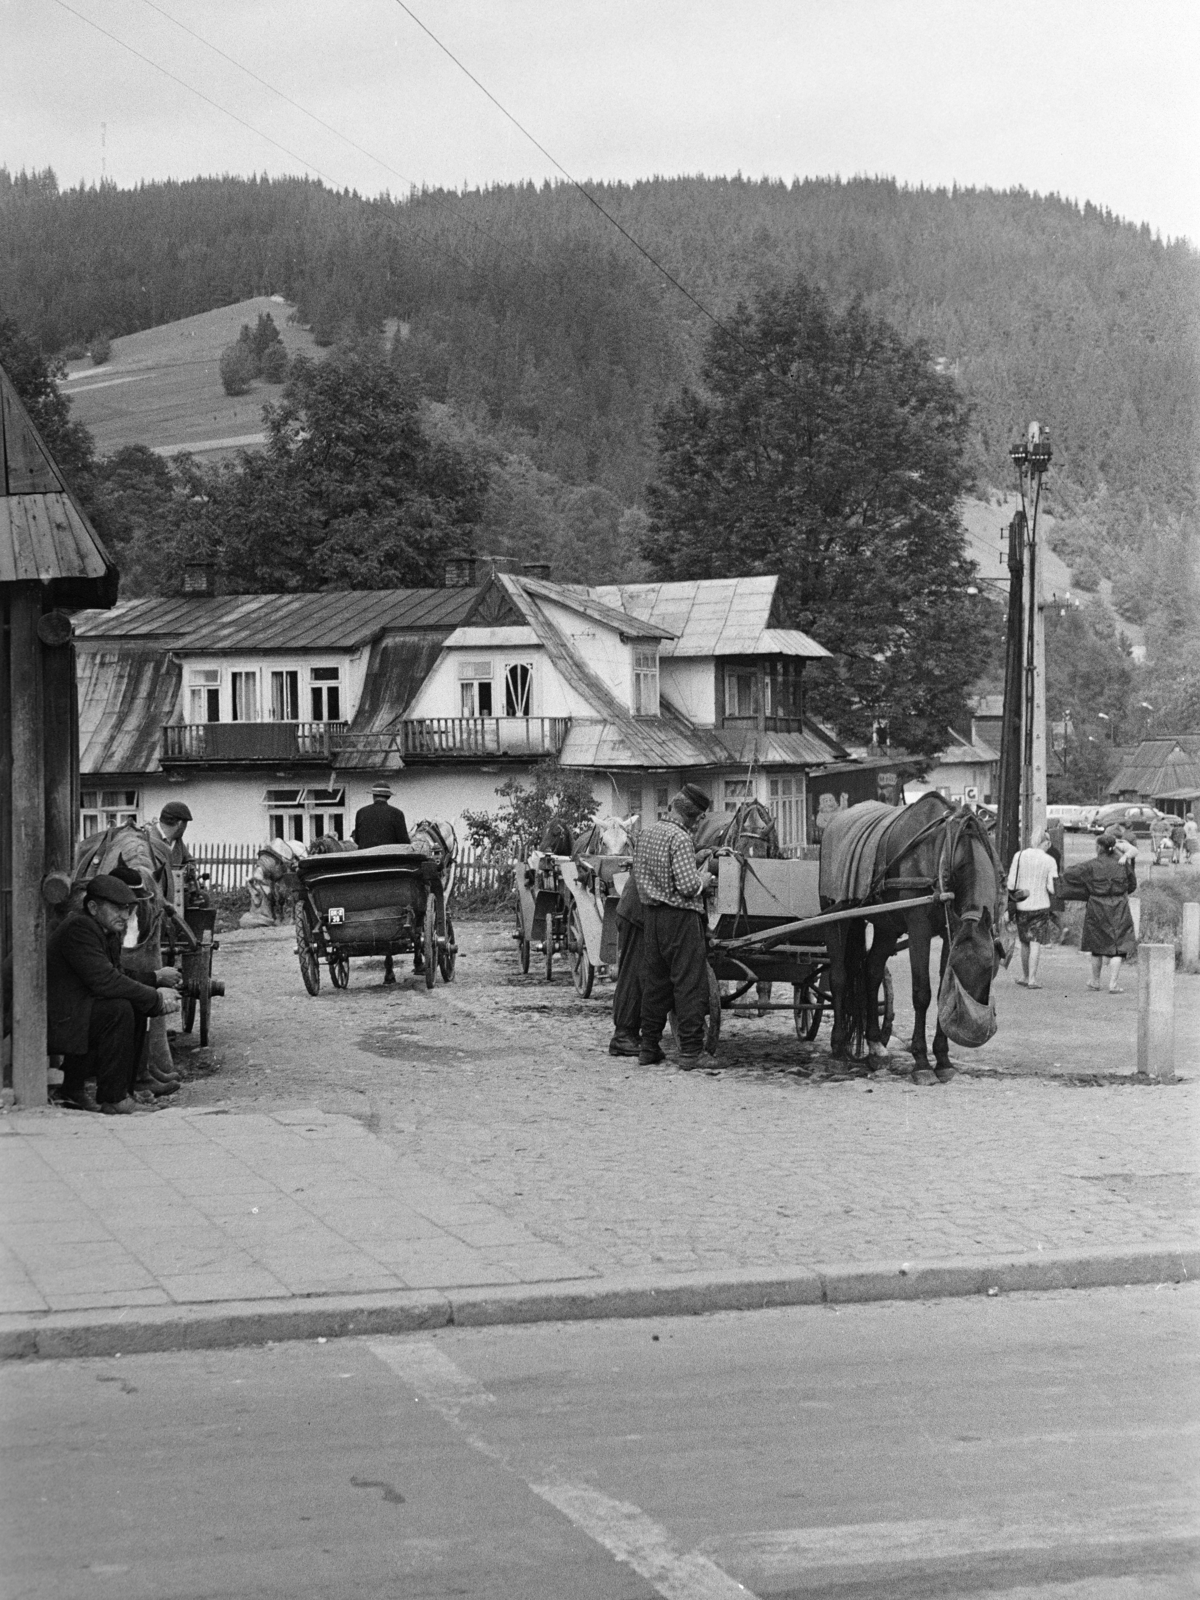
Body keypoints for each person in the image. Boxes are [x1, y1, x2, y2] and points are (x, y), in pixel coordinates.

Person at [48, 875, 182, 1114]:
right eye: (117, 909)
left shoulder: (104, 930)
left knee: (131, 1005)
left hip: (75, 1014)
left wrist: (152, 985)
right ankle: (113, 1098)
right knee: (118, 1010)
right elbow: (106, 981)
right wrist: (155, 998)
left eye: (128, 909)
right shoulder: (80, 928)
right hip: (55, 1020)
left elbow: (117, 974)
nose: (125, 915)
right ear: (93, 907)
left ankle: (119, 1092)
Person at [633, 784, 716, 1068]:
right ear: (695, 817)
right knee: (689, 984)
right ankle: (692, 1052)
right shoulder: (680, 838)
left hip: (652, 917)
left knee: (656, 984)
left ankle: (648, 1047)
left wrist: (696, 858)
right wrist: (703, 881)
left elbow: (662, 869)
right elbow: (687, 885)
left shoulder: (648, 833)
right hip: (680, 920)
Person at [1060, 831, 1137, 993]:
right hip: (1120, 906)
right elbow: (1132, 885)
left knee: (1097, 945)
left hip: (1097, 906)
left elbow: (1069, 873)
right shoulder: (1123, 864)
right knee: (1119, 945)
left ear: (1099, 847)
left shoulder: (1090, 865)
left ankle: (1095, 981)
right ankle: (1114, 984)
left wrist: (1086, 889)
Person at [1006, 830, 1058, 989]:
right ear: (1046, 843)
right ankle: (1033, 980)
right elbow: (1052, 887)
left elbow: (1011, 884)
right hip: (1041, 905)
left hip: (1022, 905)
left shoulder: (1019, 856)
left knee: (1024, 942)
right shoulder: (1050, 860)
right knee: (1036, 942)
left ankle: (1025, 975)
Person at [608, 872, 644, 1057]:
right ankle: (622, 1036)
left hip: (638, 909)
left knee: (638, 973)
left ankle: (631, 1032)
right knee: (632, 973)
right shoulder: (669, 842)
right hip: (635, 913)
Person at [353, 782, 410, 848]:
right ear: (389, 797)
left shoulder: (361, 812)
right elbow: (403, 841)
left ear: (373, 796)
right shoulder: (397, 813)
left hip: (365, 856)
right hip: (388, 856)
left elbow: (357, 839)